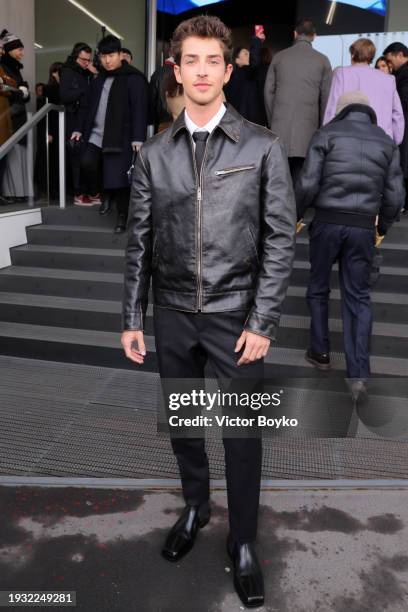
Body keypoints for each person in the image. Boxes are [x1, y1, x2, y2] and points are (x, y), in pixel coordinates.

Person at [121, 15, 296, 608]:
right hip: (172, 314)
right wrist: (131, 317)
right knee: (185, 427)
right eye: (189, 60)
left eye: (211, 61)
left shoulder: (262, 146)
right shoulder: (154, 155)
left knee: (243, 436)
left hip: (236, 318)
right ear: (176, 69)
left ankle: (243, 541)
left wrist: (263, 322)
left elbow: (280, 240)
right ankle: (195, 507)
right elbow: (139, 241)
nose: (200, 70)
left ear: (227, 69)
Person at [296, 91, 404, 401]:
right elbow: (396, 195)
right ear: (368, 113)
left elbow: (307, 182)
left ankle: (320, 353)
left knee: (317, 287)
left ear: (341, 112)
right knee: (358, 297)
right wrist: (381, 226)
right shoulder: (385, 141)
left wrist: (297, 214)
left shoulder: (326, 134)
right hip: (361, 228)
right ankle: (358, 374)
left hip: (327, 223)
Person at [79, 34, 148, 233]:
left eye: (111, 55)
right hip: (96, 133)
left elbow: (139, 109)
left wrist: (138, 137)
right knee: (88, 164)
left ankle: (121, 217)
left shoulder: (133, 78)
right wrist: (79, 130)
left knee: (120, 179)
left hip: (121, 135)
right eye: (103, 56)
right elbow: (89, 106)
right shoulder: (99, 78)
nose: (107, 61)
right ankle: (103, 193)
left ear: (120, 55)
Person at [264, 18, 332, 186]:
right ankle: (298, 211)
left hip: (280, 126)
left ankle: (280, 210)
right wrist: (321, 127)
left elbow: (268, 92)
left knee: (279, 177)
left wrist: (274, 120)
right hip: (308, 128)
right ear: (314, 36)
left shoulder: (279, 57)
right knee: (302, 176)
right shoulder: (323, 60)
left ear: (295, 34)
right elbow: (326, 97)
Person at [324, 38, 404, 145]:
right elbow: (397, 115)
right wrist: (394, 141)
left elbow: (332, 109)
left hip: (347, 140)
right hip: (381, 141)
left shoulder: (341, 74)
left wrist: (327, 138)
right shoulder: (388, 80)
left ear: (353, 54)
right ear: (371, 56)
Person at [60, 42, 96, 206]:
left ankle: (87, 191)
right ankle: (78, 193)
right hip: (73, 119)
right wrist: (83, 91)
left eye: (88, 60)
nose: (86, 63)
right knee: (76, 157)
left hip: (85, 119)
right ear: (75, 57)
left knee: (84, 157)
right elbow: (64, 96)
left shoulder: (85, 72)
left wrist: (93, 74)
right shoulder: (68, 71)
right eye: (83, 60)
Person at [0, 29, 32, 202]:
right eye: (19, 49)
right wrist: (20, 92)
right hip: (7, 117)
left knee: (13, 156)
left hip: (15, 117)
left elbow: (21, 93)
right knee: (6, 155)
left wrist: (22, 92)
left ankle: (16, 193)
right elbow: (9, 90)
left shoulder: (14, 68)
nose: (22, 52)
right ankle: (10, 193)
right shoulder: (5, 67)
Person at [383, 42, 408, 212]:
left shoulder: (404, 75)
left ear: (400, 55)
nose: (389, 65)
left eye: (390, 61)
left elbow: (403, 101)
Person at [224, 30, 268, 125]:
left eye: (249, 53)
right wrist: (257, 40)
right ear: (237, 60)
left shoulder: (237, 76)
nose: (249, 56)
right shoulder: (241, 74)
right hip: (248, 124)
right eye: (245, 54)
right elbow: (255, 62)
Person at [35, 62, 63, 199]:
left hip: (62, 129)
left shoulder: (64, 88)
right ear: (54, 73)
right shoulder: (48, 89)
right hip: (52, 130)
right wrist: (47, 132)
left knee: (59, 161)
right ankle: (48, 190)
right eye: (60, 72)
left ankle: (58, 189)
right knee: (50, 161)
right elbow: (44, 114)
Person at [0, 36, 13, 205]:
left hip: (3, 120)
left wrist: (5, 82)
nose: (2, 52)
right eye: (1, 49)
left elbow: (12, 86)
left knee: (2, 159)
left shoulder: (1, 68)